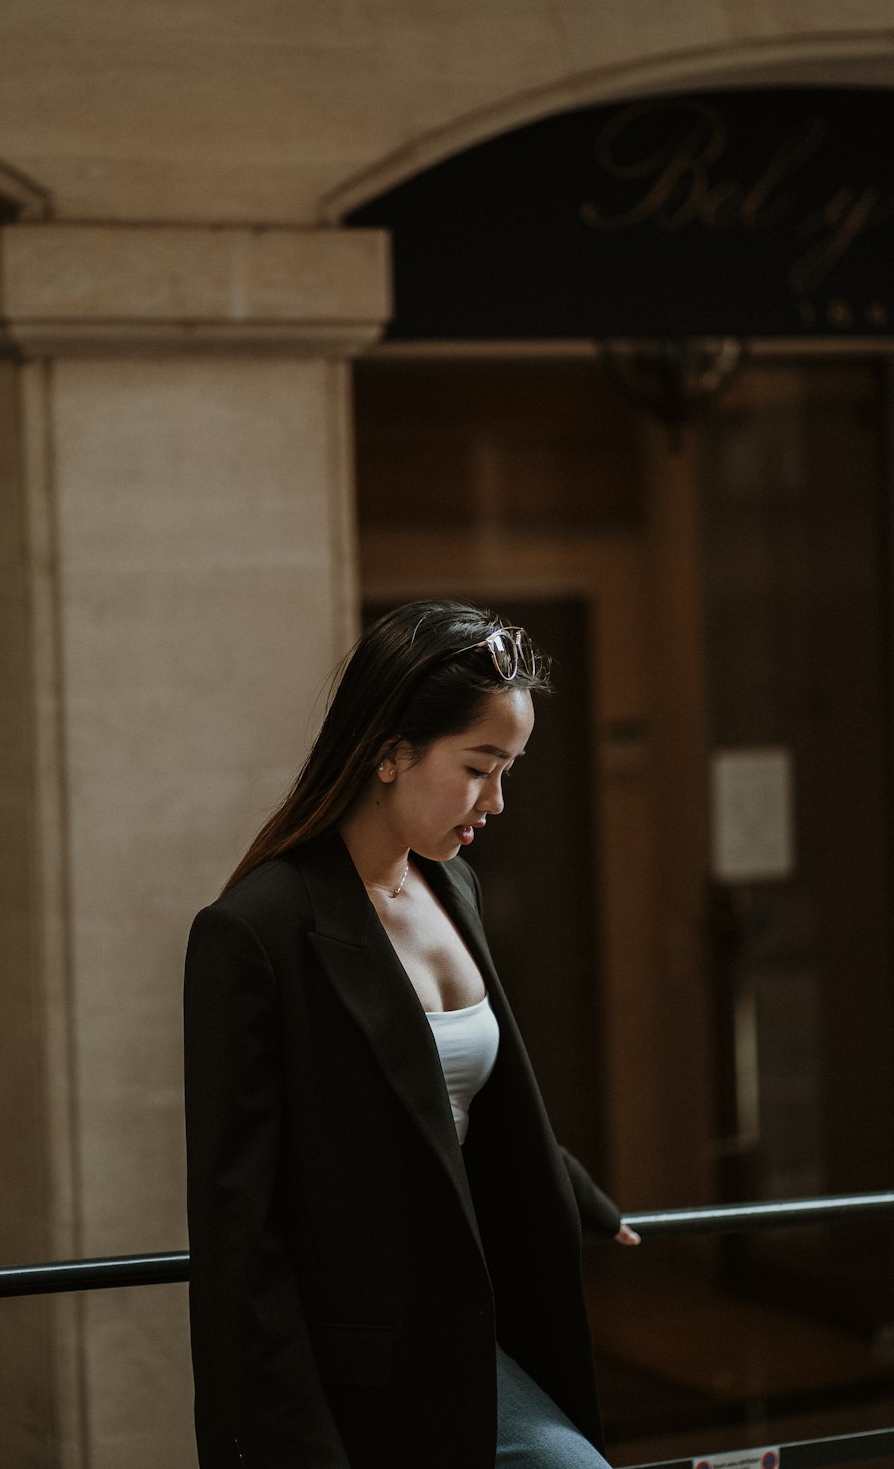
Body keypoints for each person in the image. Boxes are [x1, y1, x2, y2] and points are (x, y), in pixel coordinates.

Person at [184, 599, 640, 1469]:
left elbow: (465, 1090)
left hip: (467, 1327)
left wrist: (569, 1186)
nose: (497, 800)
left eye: (509, 768)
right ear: (390, 751)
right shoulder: (256, 931)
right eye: (479, 766)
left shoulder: (452, 884)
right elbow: (238, 1232)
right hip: (358, 1371)